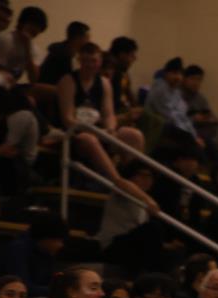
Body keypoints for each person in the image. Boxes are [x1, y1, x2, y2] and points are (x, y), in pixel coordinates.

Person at [56, 42, 154, 209]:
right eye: (85, 61)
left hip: (99, 131)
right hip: (76, 135)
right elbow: (67, 119)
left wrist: (110, 129)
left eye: (93, 61)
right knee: (89, 139)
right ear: (79, 60)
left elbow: (109, 114)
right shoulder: (68, 81)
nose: (89, 65)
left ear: (99, 62)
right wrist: (95, 131)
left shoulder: (104, 83)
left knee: (133, 135)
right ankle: (118, 181)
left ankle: (135, 180)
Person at [0, 210, 67, 298]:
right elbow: (24, 287)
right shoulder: (18, 249)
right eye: (58, 241)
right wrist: (55, 291)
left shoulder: (47, 254)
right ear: (46, 238)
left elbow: (48, 284)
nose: (61, 245)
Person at [0, 6, 47, 88]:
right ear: (22, 23)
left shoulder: (34, 49)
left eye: (38, 28)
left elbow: (33, 79)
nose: (35, 30)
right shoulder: (6, 39)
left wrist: (27, 48)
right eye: (32, 25)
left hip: (13, 85)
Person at [145, 58, 200, 144]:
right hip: (159, 129)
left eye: (180, 74)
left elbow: (182, 116)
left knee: (207, 142)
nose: (178, 77)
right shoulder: (160, 89)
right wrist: (192, 137)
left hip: (174, 128)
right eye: (174, 73)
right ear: (166, 74)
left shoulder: (176, 91)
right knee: (191, 142)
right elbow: (171, 117)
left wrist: (194, 136)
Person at [38, 21, 90, 85]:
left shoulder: (64, 52)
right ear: (78, 38)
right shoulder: (62, 55)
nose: (88, 42)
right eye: (87, 38)